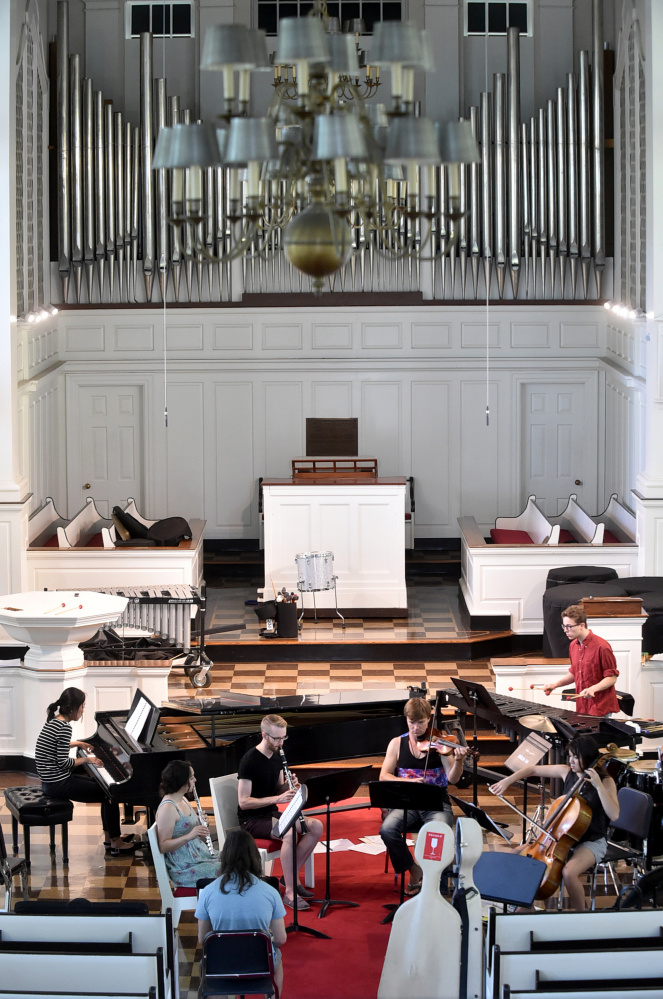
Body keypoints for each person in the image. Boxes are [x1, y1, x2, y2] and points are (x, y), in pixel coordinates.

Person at [489, 734, 620, 911]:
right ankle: (525, 908)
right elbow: (532, 770)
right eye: (570, 756)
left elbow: (614, 814)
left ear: (588, 757)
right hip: (563, 838)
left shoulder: (606, 781)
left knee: (569, 872)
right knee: (519, 856)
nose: (571, 761)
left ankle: (581, 916)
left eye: (575, 757)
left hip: (592, 840)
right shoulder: (567, 773)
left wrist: (598, 786)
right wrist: (507, 780)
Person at [379, 697, 468, 895]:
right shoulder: (396, 743)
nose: (416, 728)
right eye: (412, 722)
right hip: (407, 802)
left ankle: (437, 882)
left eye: (420, 722)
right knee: (387, 830)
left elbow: (453, 779)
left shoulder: (440, 744)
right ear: (406, 720)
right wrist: (408, 782)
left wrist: (459, 761)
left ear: (429, 719)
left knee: (441, 831)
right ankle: (414, 870)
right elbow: (384, 775)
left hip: (436, 802)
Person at [237, 714, 323, 910]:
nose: (281, 742)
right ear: (264, 735)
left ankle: (289, 877)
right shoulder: (249, 761)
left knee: (315, 827)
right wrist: (277, 799)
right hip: (251, 819)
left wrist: (288, 786)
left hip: (270, 814)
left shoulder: (277, 754)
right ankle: (290, 893)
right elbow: (243, 802)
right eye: (276, 738)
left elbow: (277, 789)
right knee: (290, 832)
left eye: (284, 737)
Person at [35, 686, 134, 855]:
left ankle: (110, 838)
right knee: (109, 792)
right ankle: (116, 841)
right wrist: (88, 759)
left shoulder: (54, 721)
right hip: (58, 783)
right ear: (74, 708)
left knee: (103, 787)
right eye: (83, 706)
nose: (83, 710)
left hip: (50, 781)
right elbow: (64, 763)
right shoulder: (65, 728)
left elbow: (57, 747)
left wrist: (78, 743)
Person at [196, 828, 287, 995]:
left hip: (221, 964)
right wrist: (268, 937)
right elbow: (281, 939)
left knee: (204, 963)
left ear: (224, 857)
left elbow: (203, 939)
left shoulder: (207, 892)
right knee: (278, 961)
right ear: (254, 856)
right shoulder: (270, 892)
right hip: (260, 963)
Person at [543, 604, 619, 716]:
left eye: (569, 626)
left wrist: (593, 689)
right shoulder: (573, 646)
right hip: (582, 705)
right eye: (564, 626)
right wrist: (555, 685)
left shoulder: (602, 646)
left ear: (582, 625)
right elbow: (575, 672)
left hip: (600, 706)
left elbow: (611, 677)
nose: (565, 630)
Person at [155, 760, 220, 887]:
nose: (195, 780)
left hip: (199, 855)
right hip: (184, 867)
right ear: (181, 781)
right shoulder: (168, 808)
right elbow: (163, 846)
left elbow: (196, 832)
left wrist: (201, 824)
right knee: (229, 869)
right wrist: (189, 836)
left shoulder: (183, 799)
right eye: (191, 778)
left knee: (235, 859)